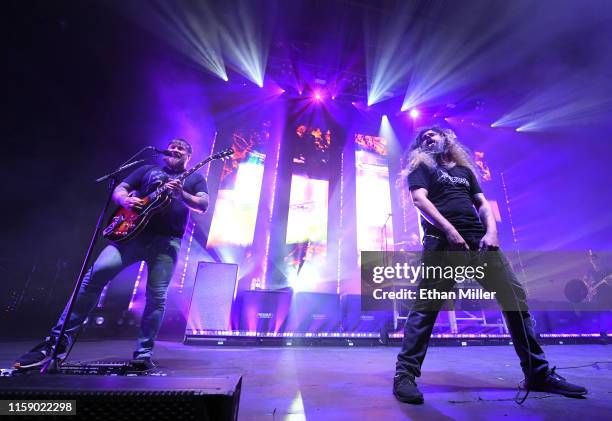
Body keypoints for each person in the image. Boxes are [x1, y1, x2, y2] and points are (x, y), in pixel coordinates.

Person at [393, 127, 587, 404]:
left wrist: (492, 232)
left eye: (433, 134)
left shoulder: (464, 172)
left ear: (447, 139)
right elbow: (419, 199)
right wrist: (449, 231)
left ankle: (538, 373)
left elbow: (483, 205)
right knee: (425, 309)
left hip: (479, 243)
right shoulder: (422, 167)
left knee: (515, 299)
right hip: (442, 244)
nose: (428, 138)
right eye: (423, 137)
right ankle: (404, 376)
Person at [15, 138, 208, 370]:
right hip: (130, 235)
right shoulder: (147, 169)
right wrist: (125, 200)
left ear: (188, 157)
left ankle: (143, 355)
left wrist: (181, 195)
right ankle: (54, 345)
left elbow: (202, 204)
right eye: (172, 146)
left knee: (156, 297)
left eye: (181, 148)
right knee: (93, 277)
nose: (175, 149)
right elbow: (120, 189)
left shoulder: (195, 177)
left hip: (166, 242)